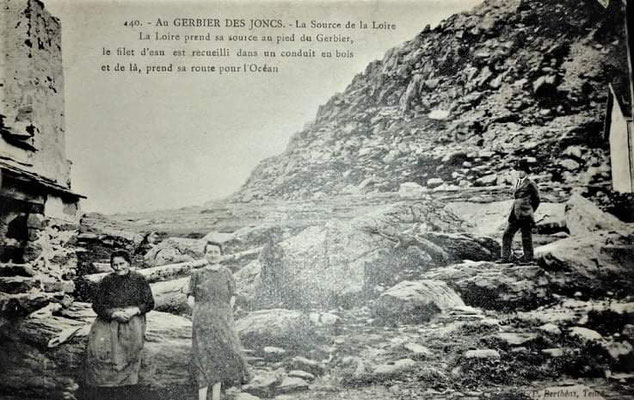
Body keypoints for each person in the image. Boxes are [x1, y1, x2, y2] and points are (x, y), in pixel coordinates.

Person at [84, 250, 155, 399]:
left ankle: (127, 385)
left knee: (131, 343)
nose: (118, 267)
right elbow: (97, 305)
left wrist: (135, 310)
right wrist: (113, 314)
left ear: (129, 263)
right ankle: (105, 386)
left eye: (121, 264)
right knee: (98, 346)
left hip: (133, 317)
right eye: (114, 264)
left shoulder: (139, 279)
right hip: (110, 318)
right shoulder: (107, 281)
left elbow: (149, 303)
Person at [187, 241, 250, 400]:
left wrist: (226, 311)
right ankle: (202, 397)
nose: (213, 255)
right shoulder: (197, 274)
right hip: (202, 319)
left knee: (219, 354)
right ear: (205, 254)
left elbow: (233, 295)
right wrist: (198, 310)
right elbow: (191, 296)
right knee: (202, 354)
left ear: (221, 254)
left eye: (216, 252)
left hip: (222, 319)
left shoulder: (227, 272)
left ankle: (216, 396)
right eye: (209, 252)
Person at [498, 159, 541, 264]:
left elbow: (537, 199)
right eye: (518, 170)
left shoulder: (531, 183)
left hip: (525, 214)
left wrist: (530, 209)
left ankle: (528, 258)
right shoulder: (516, 182)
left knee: (526, 236)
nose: (519, 172)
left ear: (526, 172)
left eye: (521, 170)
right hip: (515, 213)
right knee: (507, 234)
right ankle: (505, 257)